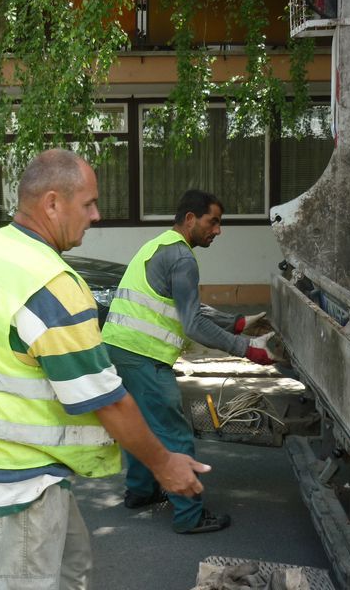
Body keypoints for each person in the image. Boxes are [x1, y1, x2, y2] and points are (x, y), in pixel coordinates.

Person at [0, 150, 212, 590]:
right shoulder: (52, 285)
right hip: (19, 484)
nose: (96, 216)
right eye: (89, 204)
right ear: (53, 203)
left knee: (73, 570)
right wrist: (165, 465)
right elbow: (106, 400)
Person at [102, 189, 280, 534]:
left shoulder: (157, 246)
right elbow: (193, 323)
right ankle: (189, 515)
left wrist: (237, 322)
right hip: (144, 356)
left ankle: (140, 491)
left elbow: (186, 307)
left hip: (118, 348)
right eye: (213, 222)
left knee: (139, 425)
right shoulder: (183, 259)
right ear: (190, 219)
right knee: (173, 432)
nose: (218, 230)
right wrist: (247, 348)